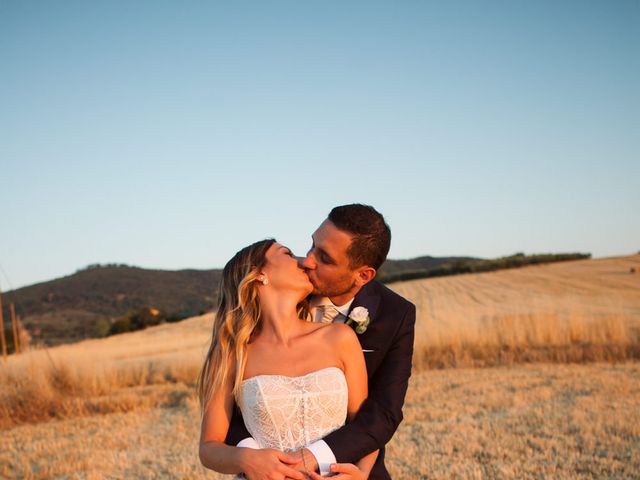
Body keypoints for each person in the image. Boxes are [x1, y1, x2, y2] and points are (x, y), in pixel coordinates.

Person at [226, 204, 416, 479]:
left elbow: (383, 412)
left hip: (349, 469)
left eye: (325, 258)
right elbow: (235, 402)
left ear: (362, 275)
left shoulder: (395, 315)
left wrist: (329, 462)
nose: (307, 261)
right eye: (312, 245)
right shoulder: (283, 292)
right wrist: (253, 455)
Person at [198, 238, 379, 479]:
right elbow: (209, 447)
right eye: (287, 254)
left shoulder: (339, 338)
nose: (304, 262)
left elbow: (365, 427)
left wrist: (362, 474)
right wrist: (246, 459)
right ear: (259, 274)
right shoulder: (233, 354)